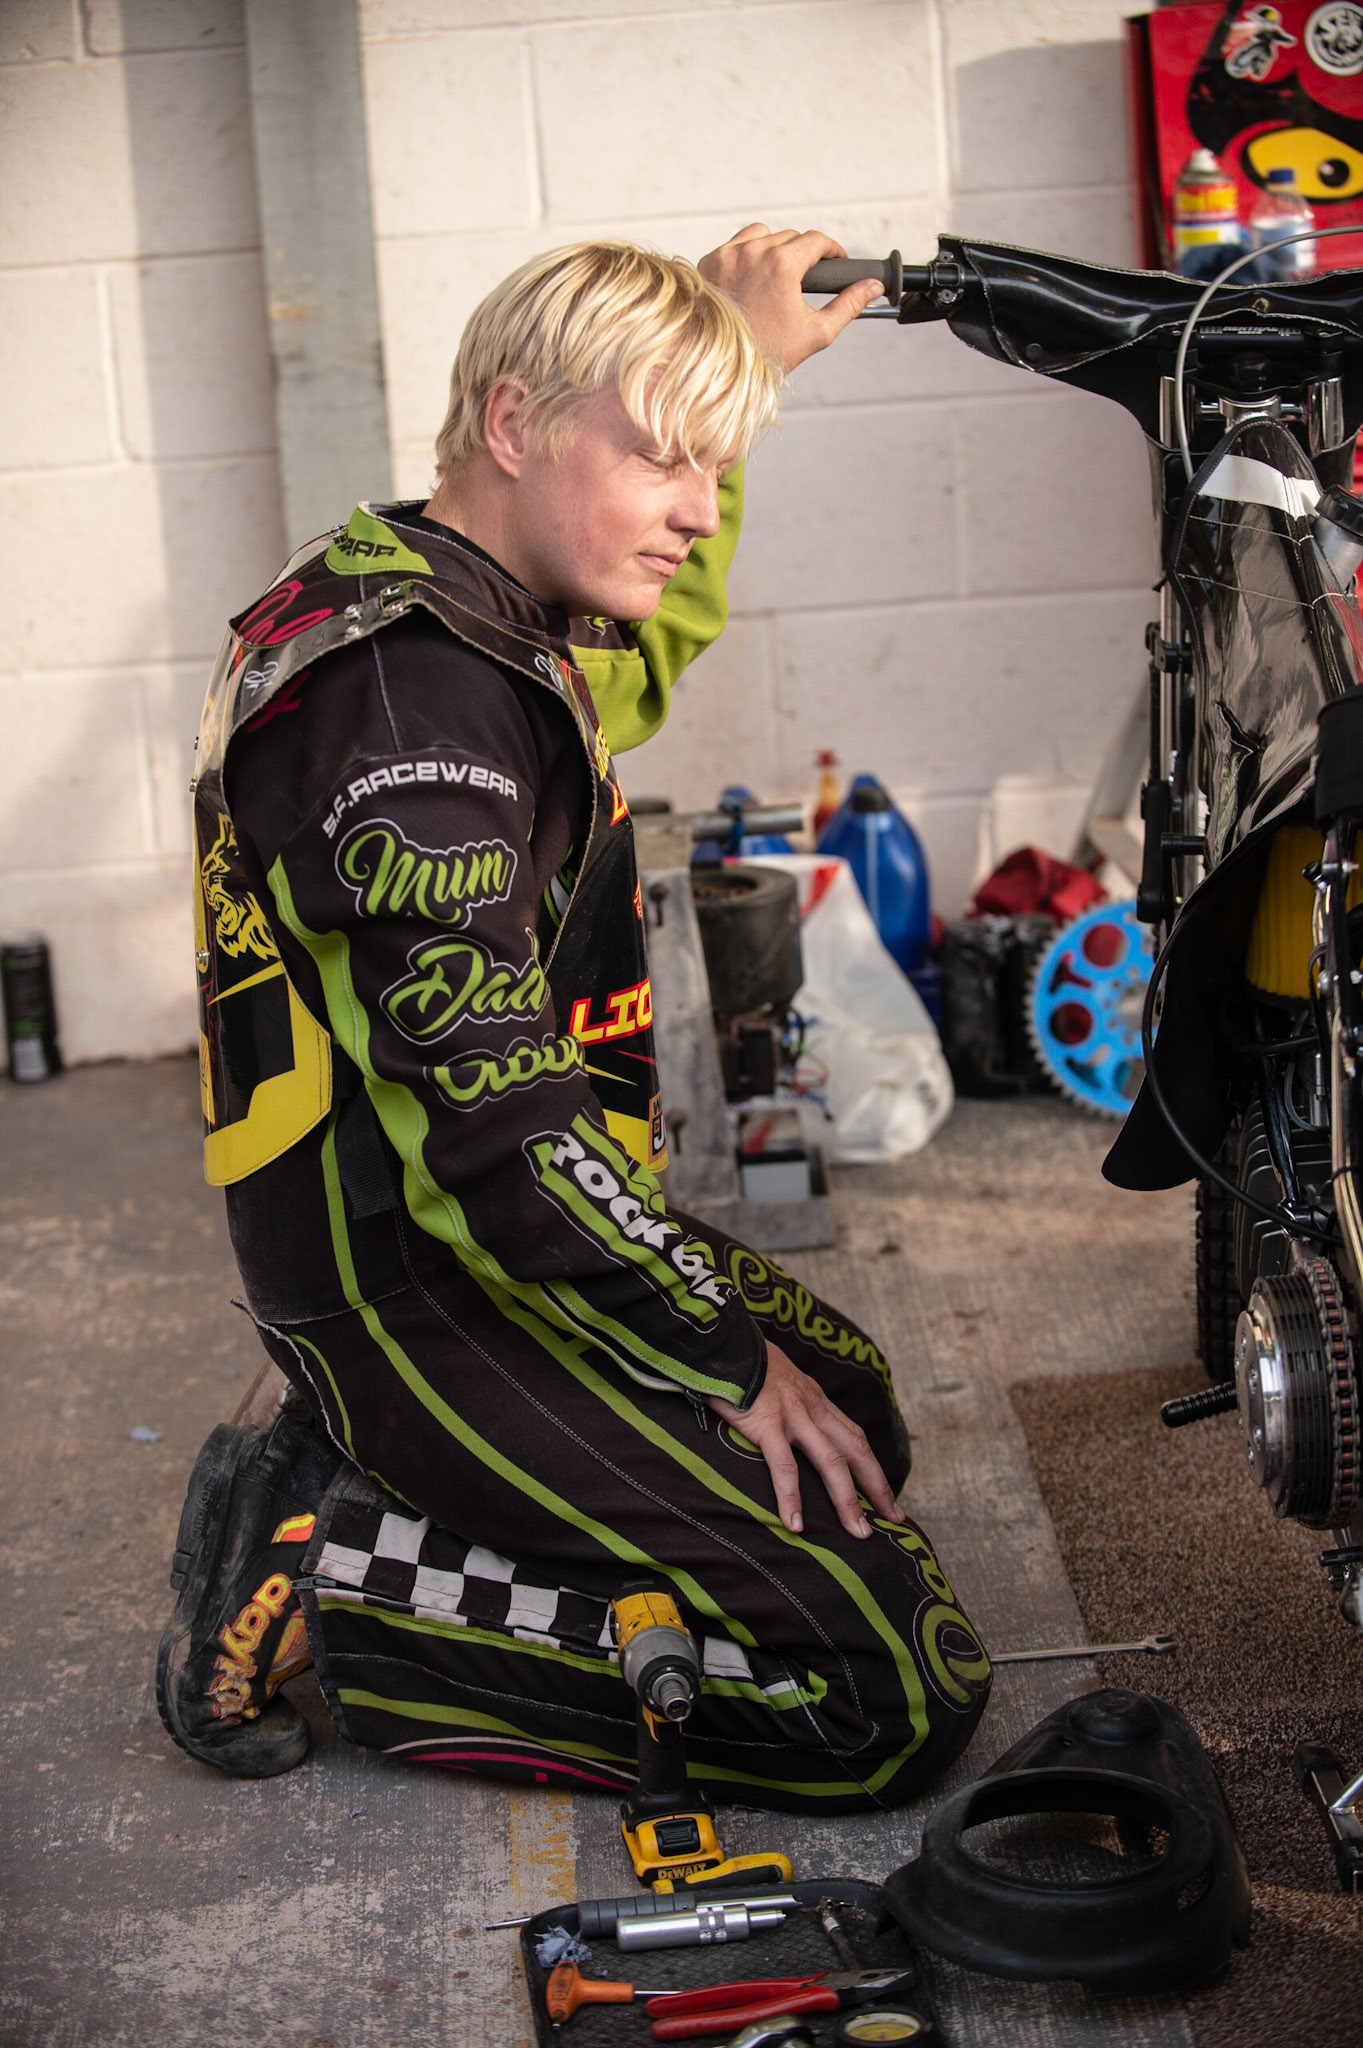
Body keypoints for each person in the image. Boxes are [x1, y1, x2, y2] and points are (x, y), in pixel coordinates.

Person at [160, 225, 991, 1811]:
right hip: (423, 1279)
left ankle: (373, 1475)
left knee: (854, 1435)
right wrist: (720, 1349)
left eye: (713, 467)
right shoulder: (407, 708)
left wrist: (736, 363)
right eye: (665, 460)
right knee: (886, 1692)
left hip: (467, 1221)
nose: (695, 510)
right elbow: (498, 1124)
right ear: (515, 423)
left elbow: (643, 652)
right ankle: (338, 1587)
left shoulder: (454, 609)